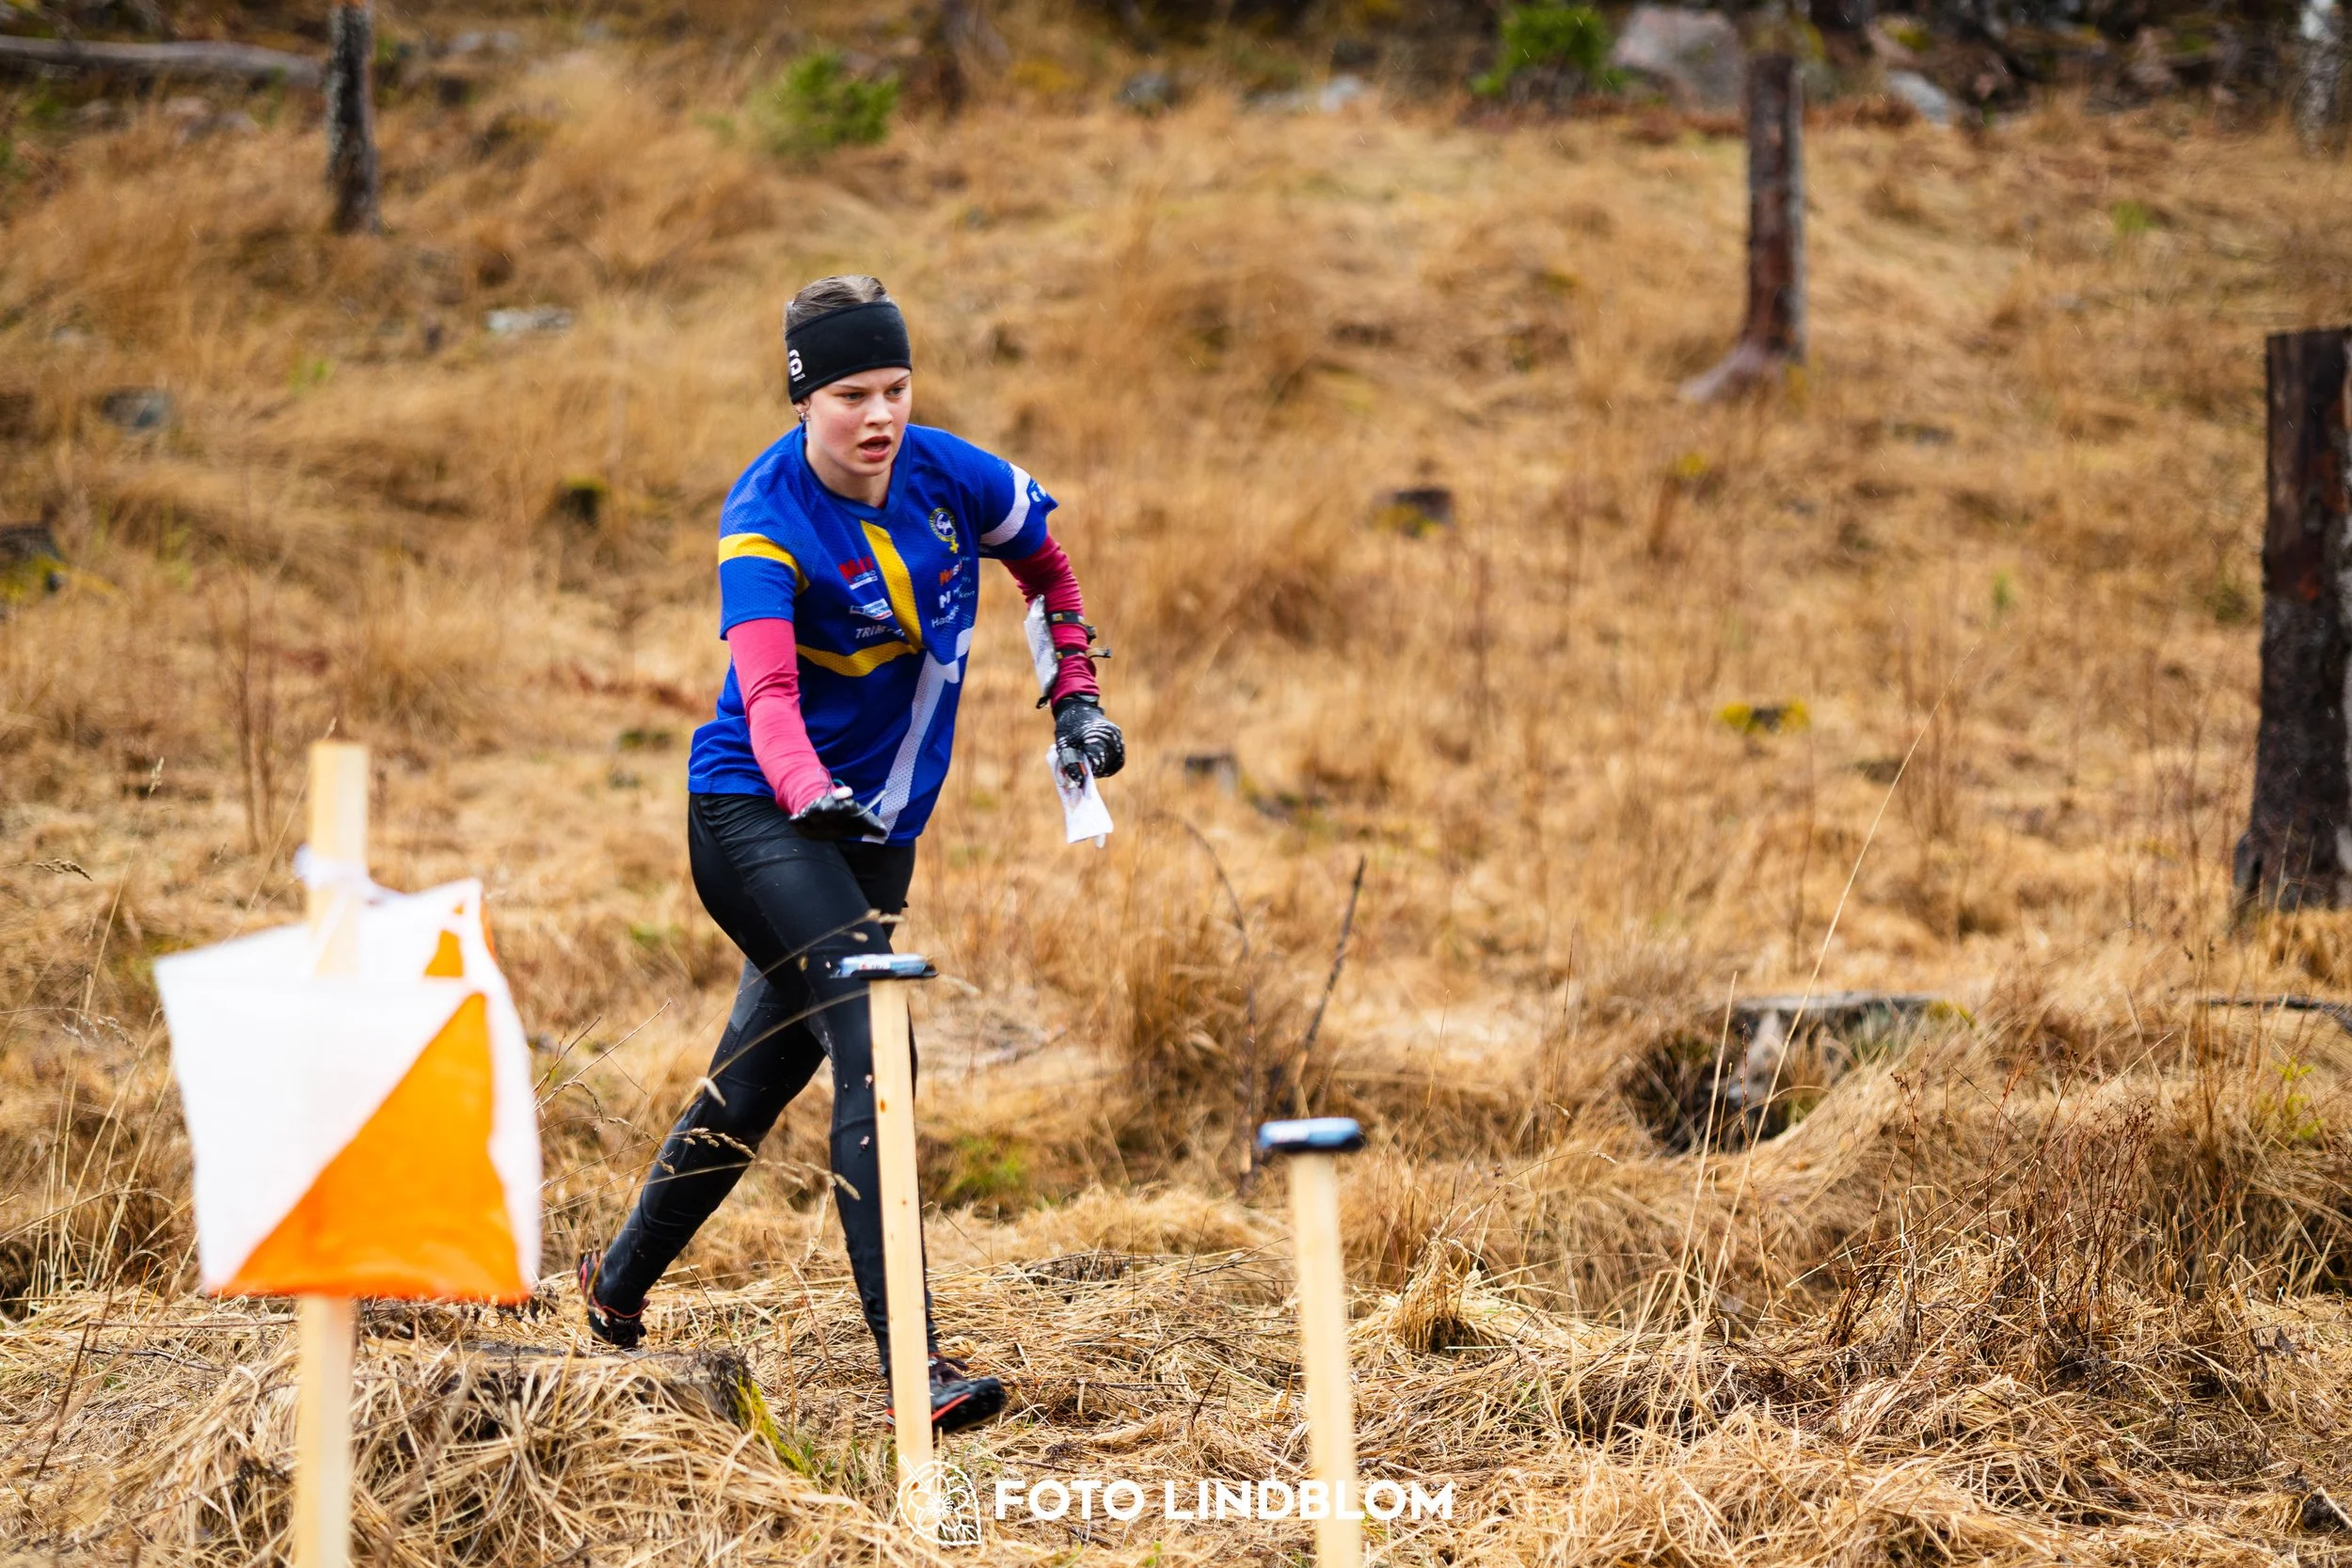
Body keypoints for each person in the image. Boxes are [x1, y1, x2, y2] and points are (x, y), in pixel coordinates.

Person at [577, 276, 1125, 1434]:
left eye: (893, 386)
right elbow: (766, 691)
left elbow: (1050, 571)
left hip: (873, 834)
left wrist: (1072, 694)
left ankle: (613, 1284)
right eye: (846, 394)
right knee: (877, 1038)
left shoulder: (952, 475)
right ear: (800, 401)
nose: (877, 414)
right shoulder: (764, 515)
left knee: (760, 1068)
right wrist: (804, 788)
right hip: (754, 815)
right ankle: (914, 1369)